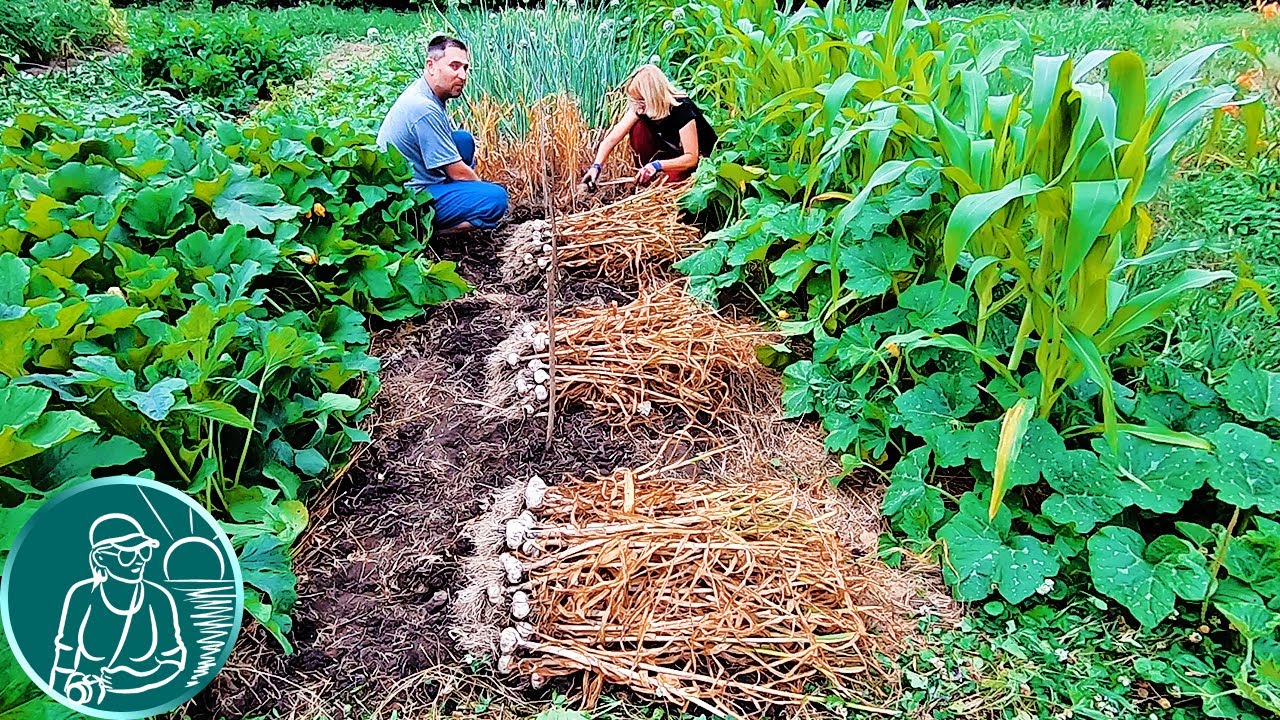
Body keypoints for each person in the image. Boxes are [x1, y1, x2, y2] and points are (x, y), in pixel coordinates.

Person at [50, 513, 186, 706]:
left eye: (144, 552)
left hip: (146, 703)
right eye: (127, 555)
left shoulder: (159, 598)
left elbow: (174, 661)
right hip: (86, 699)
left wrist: (139, 681)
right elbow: (65, 653)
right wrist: (59, 695)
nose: (139, 560)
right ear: (101, 558)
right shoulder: (82, 595)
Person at [377, 35, 509, 232]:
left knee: (463, 140)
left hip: (408, 179)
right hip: (408, 200)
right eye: (454, 66)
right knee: (496, 199)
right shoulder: (423, 108)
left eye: (465, 68)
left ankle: (450, 200)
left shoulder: (423, 91)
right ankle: (424, 231)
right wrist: (480, 191)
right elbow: (459, 173)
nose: (462, 76)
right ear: (431, 65)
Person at [581, 64, 718, 190]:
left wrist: (657, 165)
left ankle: (660, 176)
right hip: (669, 153)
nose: (637, 106)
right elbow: (612, 138)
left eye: (640, 100)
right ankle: (646, 174)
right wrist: (596, 166)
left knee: (664, 187)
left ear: (653, 98)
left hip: (694, 161)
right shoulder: (642, 108)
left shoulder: (682, 109)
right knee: (638, 127)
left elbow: (691, 158)